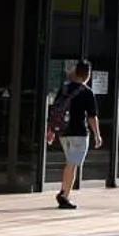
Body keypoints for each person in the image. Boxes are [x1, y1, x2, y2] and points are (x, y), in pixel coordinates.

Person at [48, 61, 102, 210]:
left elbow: (55, 109)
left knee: (70, 163)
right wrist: (97, 135)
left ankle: (65, 193)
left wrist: (51, 130)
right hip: (79, 133)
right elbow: (92, 116)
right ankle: (64, 195)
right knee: (72, 164)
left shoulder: (65, 88)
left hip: (64, 133)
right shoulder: (87, 92)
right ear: (87, 75)